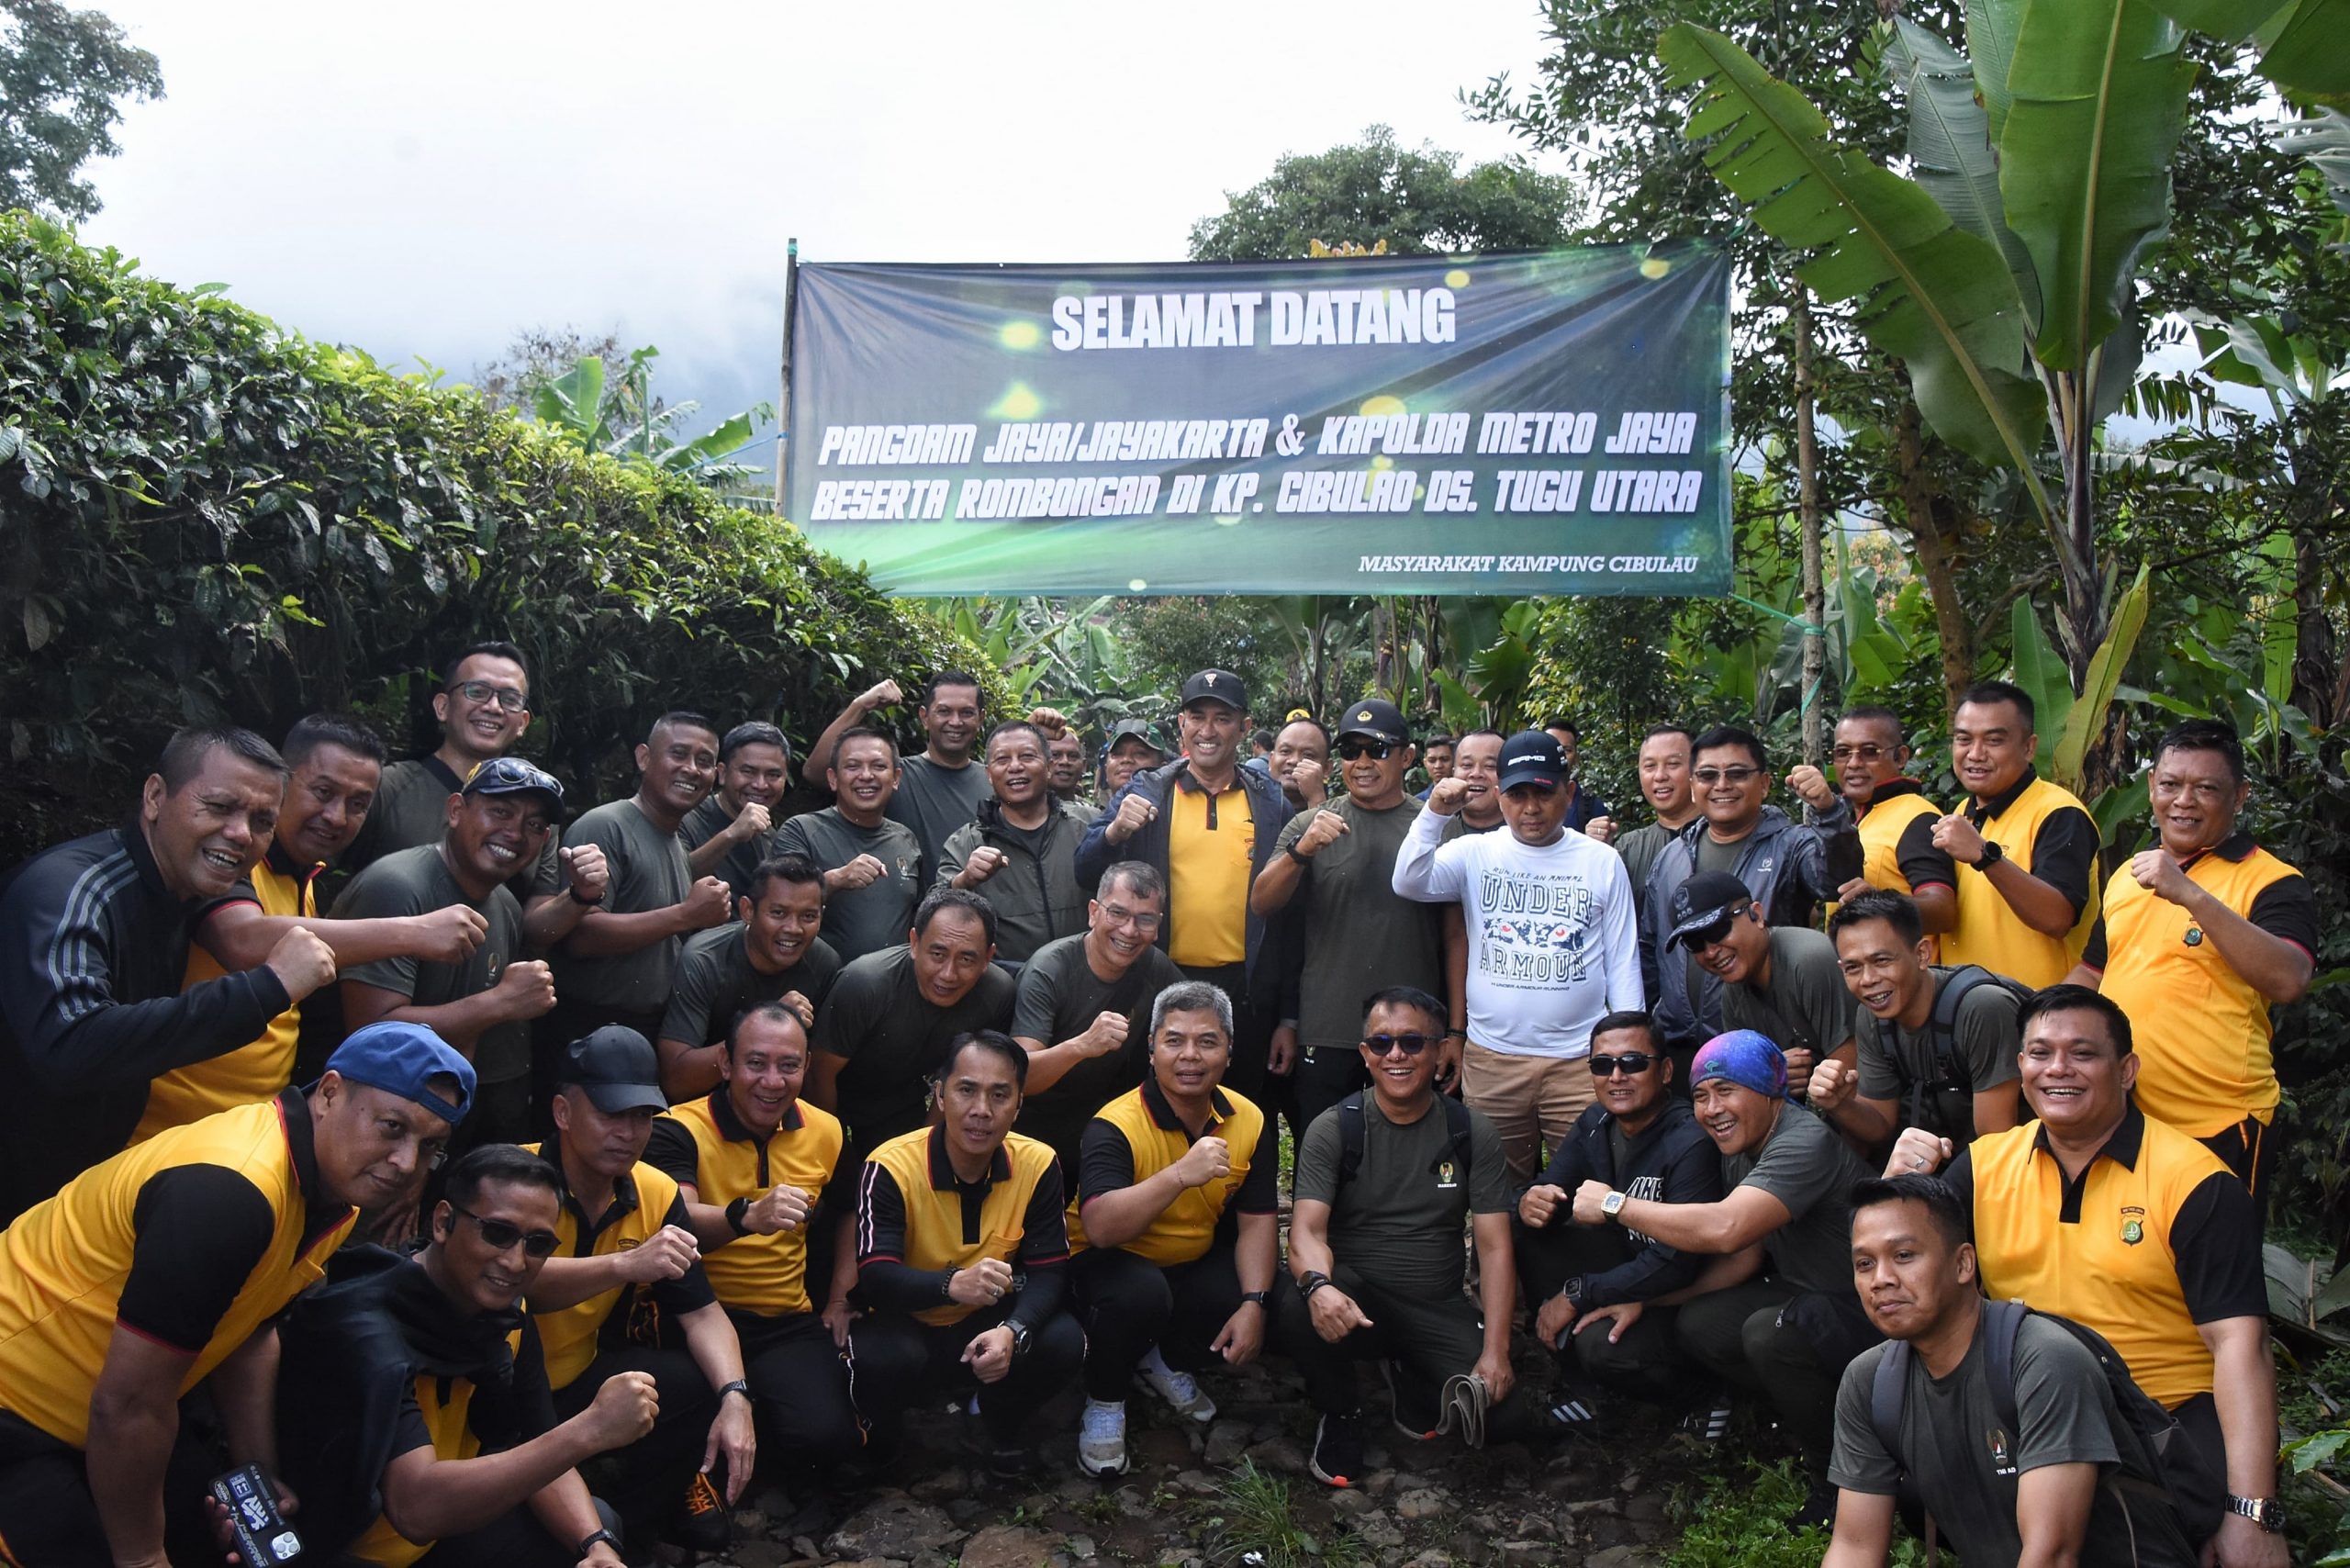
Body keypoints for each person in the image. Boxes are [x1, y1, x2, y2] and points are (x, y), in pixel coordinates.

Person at [0, 1021, 472, 1566]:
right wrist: (144, 1558)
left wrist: (258, 1472)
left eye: (430, 1146)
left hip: (105, 1412)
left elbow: (250, 1329)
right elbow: (128, 1408)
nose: (406, 1164)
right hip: (24, 1413)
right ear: (329, 1093)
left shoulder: (334, 1190)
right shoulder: (231, 1193)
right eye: (393, 1127)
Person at [1887, 988, 2284, 1567]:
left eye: (2082, 1054)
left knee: (2142, 1520)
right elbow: (1903, 1289)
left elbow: (2241, 1347)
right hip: (2028, 1405)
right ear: (2018, 1066)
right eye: (2040, 1053)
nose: (2058, 1070)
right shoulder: (1983, 1165)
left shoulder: (2195, 1180)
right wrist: (1899, 1193)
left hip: (2159, 1413)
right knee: (1922, 1483)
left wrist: (2252, 1513)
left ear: (2126, 1070)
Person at [0, 724, 339, 1220]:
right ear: (156, 797)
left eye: (263, 820)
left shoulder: (184, 892)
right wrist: (268, 986)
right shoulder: (73, 892)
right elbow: (69, 1045)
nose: (242, 833)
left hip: (66, 1180)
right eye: (220, 807)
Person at [272, 1145, 655, 1568]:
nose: (514, 1261)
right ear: (443, 1222)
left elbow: (532, 1441)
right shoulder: (366, 1333)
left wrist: (595, 1545)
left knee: (598, 1527)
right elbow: (415, 1508)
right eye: (498, 1233)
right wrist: (589, 1430)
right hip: (344, 1549)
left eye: (538, 1243)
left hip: (444, 1536)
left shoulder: (508, 1318)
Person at [137, 714, 492, 1142]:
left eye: (358, 804)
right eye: (323, 793)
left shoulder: (302, 879)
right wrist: (414, 932)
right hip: (169, 1130)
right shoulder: (229, 857)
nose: (337, 817)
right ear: (282, 785)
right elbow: (240, 939)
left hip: (250, 1127)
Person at [1823, 1174, 2202, 1568]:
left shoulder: (2043, 1359)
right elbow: (1854, 1548)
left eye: (1904, 1256)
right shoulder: (1869, 1382)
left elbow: (2051, 1555)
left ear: (1963, 1264)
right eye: (1864, 1263)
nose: (1880, 1279)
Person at [1579, 1031, 1876, 1506]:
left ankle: (1837, 1480)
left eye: (1727, 1091)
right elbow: (1744, 1257)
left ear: (1768, 1092)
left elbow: (1727, 1229)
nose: (1711, 1109)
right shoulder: (1741, 1146)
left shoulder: (1803, 1141)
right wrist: (1647, 1299)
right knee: (1703, 1324)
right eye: (1700, 1096)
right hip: (1805, 1293)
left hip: (1869, 1308)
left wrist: (1615, 1204)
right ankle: (1806, 1414)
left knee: (1767, 1332)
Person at [2067, 720, 2315, 1224]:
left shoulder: (2273, 881)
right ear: (2152, 784)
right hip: (2123, 1118)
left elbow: (2289, 979)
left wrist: (2190, 894)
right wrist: (2039, 1029)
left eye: (2206, 788)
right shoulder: (2128, 876)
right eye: (2171, 785)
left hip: (2219, 1121)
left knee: (2218, 1277)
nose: (2184, 801)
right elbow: (2093, 974)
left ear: (2240, 796)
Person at [522, 1027, 755, 1551]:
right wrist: (625, 1264)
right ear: (562, 1112)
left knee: (695, 1386)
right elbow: (517, 1282)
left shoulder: (653, 1189)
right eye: (611, 1114)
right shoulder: (514, 1180)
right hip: (504, 1390)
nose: (628, 1132)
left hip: (580, 1375)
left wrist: (736, 1397)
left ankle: (636, 1527)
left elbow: (701, 1311)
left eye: (643, 1117)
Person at [1278, 987, 1518, 1489]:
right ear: (1364, 1055)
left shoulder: (1471, 1131)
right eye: (1381, 1043)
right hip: (1358, 1298)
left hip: (1438, 1304)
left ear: (1437, 1053)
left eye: (1412, 1042)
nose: (1396, 1056)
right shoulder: (1335, 1128)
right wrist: (1318, 1287)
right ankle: (1340, 1412)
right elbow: (1305, 1232)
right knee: (1299, 1303)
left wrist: (1496, 1351)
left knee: (1504, 1418)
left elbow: (1495, 1247)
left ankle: (1412, 1375)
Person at [645, 1002, 858, 1534]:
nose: (772, 1081)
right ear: (724, 1063)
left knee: (826, 1434)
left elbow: (855, 1209)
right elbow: (678, 1220)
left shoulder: (827, 1130)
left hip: (784, 1317)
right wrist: (748, 1215)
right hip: (694, 1315)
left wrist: (839, 1298)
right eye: (755, 1063)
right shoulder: (678, 1128)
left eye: (788, 1066)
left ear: (807, 1069)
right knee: (697, 1506)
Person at [1393, 730, 1643, 1180]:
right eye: (1517, 794)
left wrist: (1625, 1053)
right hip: (1494, 1061)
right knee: (1497, 1195)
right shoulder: (1474, 853)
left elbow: (1622, 961)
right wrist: (1433, 813)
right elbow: (1409, 881)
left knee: (1589, 1184)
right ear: (1498, 794)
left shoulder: (1600, 861)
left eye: (1544, 794)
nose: (1531, 809)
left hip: (1579, 1063)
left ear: (1568, 793)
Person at [846, 1031, 1085, 1477]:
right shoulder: (891, 1166)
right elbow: (876, 1274)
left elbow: (1051, 1270)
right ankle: (882, 1438)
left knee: (1062, 1339)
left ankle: (997, 1420)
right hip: (906, 1320)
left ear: (1018, 1105)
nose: (982, 1111)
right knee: (885, 1359)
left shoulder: (1037, 1163)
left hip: (983, 1322)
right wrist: (951, 1283)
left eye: (1000, 1095)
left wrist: (1014, 1331)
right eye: (966, 1090)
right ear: (939, 1094)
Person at [1068, 981, 1280, 1476]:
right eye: (1174, 1040)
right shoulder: (1114, 1123)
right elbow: (1099, 1227)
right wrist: (1180, 1174)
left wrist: (1256, 1304)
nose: (1190, 1056)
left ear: (1229, 1050)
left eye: (1207, 1041)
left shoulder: (1247, 1118)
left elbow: (1258, 1222)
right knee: (1138, 1294)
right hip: (1101, 1266)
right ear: (1151, 1049)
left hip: (1187, 1260)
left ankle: (1157, 1358)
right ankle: (1105, 1399)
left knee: (1257, 1289)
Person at [1076, 669, 1293, 1099]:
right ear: (1181, 724)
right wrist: (1115, 832)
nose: (1207, 730)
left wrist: (1289, 1016)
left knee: (1242, 1111)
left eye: (1222, 718)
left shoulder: (1271, 802)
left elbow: (1292, 915)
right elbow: (1084, 871)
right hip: (1159, 979)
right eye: (1197, 717)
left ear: (1245, 728)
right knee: (1158, 1110)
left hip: (1243, 990)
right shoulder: (1149, 789)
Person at [336, 756, 568, 1144]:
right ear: (457, 810)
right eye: (500, 812)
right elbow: (370, 1031)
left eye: (534, 825)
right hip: (367, 1121)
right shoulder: (398, 886)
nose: (514, 833)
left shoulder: (505, 905)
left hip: (444, 1117)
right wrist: (500, 1003)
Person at [1513, 1011, 1722, 1429]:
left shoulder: (1690, 1140)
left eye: (1632, 1063)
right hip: (1627, 1262)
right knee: (1524, 1226)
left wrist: (1579, 1292)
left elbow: (1678, 1261)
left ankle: (1706, 1397)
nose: (1617, 1076)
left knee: (1602, 1348)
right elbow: (1550, 1188)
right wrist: (1527, 1201)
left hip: (1687, 1292)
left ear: (1664, 1071)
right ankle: (1586, 1391)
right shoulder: (1596, 1122)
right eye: (1603, 1065)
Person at [1253, 698, 1444, 1130]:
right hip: (1328, 1029)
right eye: (1349, 750)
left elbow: (1456, 935)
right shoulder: (1311, 823)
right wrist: (1302, 852)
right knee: (1324, 1159)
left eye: (1376, 750)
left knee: (1406, 1158)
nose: (1362, 762)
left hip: (1412, 1034)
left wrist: (1454, 1033)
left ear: (1407, 757)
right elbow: (1263, 903)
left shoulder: (1435, 826)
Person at [341, 642, 599, 952]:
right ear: (443, 707)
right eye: (477, 691)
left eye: (509, 699)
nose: (493, 706)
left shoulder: (536, 813)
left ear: (523, 723)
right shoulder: (389, 787)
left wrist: (580, 896)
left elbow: (531, 928)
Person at [543, 712, 733, 1123]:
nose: (691, 769)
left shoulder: (675, 844)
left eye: (704, 761)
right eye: (679, 754)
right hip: (588, 1024)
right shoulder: (606, 825)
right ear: (644, 758)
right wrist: (685, 915)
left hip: (647, 1026)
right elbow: (582, 935)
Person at [1640, 723, 1860, 1059]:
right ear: (1694, 786)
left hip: (1765, 1047)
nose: (1722, 785)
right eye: (1708, 775)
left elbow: (1836, 883)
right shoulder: (1672, 855)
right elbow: (1650, 949)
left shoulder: (1790, 845)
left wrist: (1829, 812)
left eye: (1737, 774)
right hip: (1678, 1046)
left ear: (1765, 783)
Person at [810, 887, 1020, 1174]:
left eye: (966, 960)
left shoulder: (997, 994)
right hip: (840, 1099)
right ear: (914, 943)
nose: (948, 974)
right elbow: (820, 1074)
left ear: (988, 958)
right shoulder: (866, 985)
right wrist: (831, 1149)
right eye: (937, 954)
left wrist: (923, 1154)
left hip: (905, 1103)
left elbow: (956, 1081)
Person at [1809, 890, 2024, 1151]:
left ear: (1922, 954)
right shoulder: (1872, 1015)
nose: (1868, 980)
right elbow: (1880, 1123)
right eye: (1853, 968)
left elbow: (1997, 1145)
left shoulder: (1982, 1008)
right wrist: (1838, 1104)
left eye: (1881, 961)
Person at [1010, 862, 1186, 1173]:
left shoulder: (1154, 967)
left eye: (1144, 919)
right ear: (1094, 912)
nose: (1129, 931)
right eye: (1117, 913)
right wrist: (1082, 1046)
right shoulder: (1048, 970)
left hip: (1105, 1116)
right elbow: (1019, 1076)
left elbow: (1198, 1015)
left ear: (1158, 925)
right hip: (1032, 1123)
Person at [1934, 680, 2102, 988]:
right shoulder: (1961, 813)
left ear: (2029, 747)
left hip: (2040, 1016)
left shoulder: (2059, 812)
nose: (1975, 753)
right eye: (1963, 740)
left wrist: (1984, 856)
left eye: (1994, 741)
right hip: (1965, 1011)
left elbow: (2057, 918)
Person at [655, 852, 841, 1102]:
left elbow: (816, 1070)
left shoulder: (824, 962)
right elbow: (675, 1080)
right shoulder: (704, 959)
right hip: (702, 1106)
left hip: (777, 1103)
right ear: (747, 910)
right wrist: (771, 1019)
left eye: (808, 916)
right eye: (778, 913)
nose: (793, 929)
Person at [1662, 870, 1857, 1098]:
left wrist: (1772, 1078)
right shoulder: (1732, 991)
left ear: (1756, 914)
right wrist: (1771, 1076)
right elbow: (1743, 1085)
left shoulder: (1807, 960)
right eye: (1695, 943)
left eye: (1718, 930)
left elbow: (1849, 1082)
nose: (1711, 951)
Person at [803, 674, 990, 887]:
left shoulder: (993, 782)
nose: (955, 722)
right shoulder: (894, 777)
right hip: (904, 914)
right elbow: (815, 772)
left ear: (980, 718)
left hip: (977, 914)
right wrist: (860, 706)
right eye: (944, 711)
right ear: (925, 717)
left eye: (966, 713)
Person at [937, 720, 1091, 964]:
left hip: (1081, 978)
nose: (1015, 767)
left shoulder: (1087, 825)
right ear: (988, 774)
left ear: (1049, 767)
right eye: (1002, 760)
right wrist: (964, 880)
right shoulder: (967, 842)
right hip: (1007, 986)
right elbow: (933, 911)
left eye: (1027, 756)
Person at [773, 725, 925, 962]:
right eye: (853, 766)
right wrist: (836, 879)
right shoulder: (802, 830)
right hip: (821, 986)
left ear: (896, 778)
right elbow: (778, 902)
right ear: (833, 779)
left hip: (892, 986)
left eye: (878, 766)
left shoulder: (906, 839)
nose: (866, 776)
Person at [1829, 707, 1957, 938]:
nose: (1854, 763)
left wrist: (1881, 904)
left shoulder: (1917, 818)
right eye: (1843, 752)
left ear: (1900, 757)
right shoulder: (1844, 818)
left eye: (1870, 752)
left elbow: (1944, 910)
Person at [681, 721, 792, 904]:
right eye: (748, 772)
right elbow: (672, 879)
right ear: (722, 774)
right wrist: (732, 834)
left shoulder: (772, 837)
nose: (760, 785)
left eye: (773, 775)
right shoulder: (686, 818)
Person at [1612, 725, 1698, 923]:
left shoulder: (1722, 835)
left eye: (1673, 764)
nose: (1660, 776)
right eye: (1650, 766)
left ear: (1697, 770)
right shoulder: (1628, 847)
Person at [1539, 717, 1614, 842]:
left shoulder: (1591, 807)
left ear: (1576, 758)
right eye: (1552, 748)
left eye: (1567, 750)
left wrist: (1593, 841)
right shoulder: (1515, 800)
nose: (1559, 755)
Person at [1029, 707, 1099, 824]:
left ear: (1084, 765)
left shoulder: (1093, 816)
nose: (1065, 762)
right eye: (1055, 755)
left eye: (1073, 756)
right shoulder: (1022, 810)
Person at [1270, 717, 1332, 812]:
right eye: (1285, 751)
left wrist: (1316, 800)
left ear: (1327, 768)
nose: (1294, 761)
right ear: (1271, 760)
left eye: (1308, 755)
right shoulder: (1249, 807)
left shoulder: (1343, 818)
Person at [1099, 719, 1167, 797]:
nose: (1126, 759)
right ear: (1106, 768)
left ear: (1163, 769)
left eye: (1139, 753)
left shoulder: (1177, 808)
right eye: (1118, 753)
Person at [1417, 734, 1456, 799]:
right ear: (1425, 763)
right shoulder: (1418, 803)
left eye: (1445, 759)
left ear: (1455, 761)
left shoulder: (1469, 800)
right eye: (1432, 760)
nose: (1438, 766)